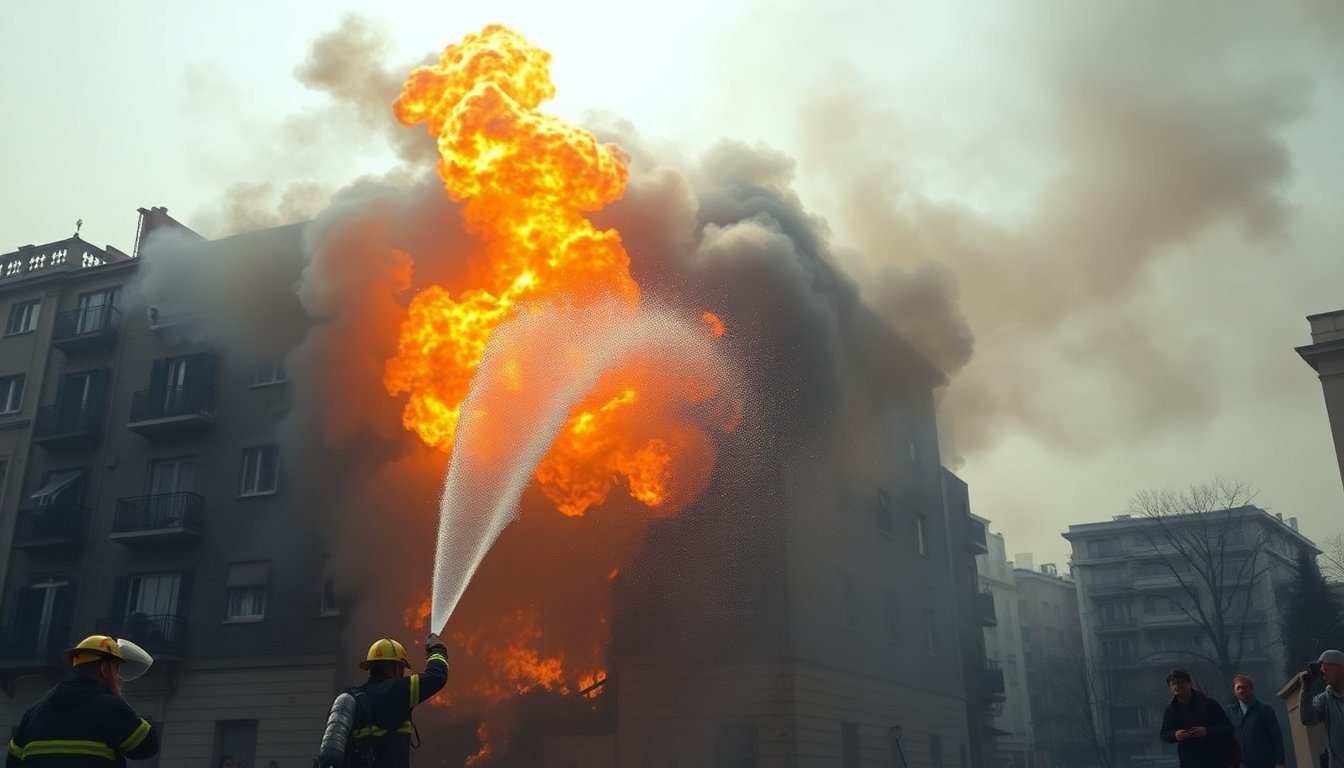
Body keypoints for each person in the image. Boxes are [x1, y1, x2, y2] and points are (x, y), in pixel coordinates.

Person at [6, 635, 159, 766]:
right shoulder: (110, 708)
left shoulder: (35, 712)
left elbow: (13, 762)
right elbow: (147, 746)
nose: (119, 677)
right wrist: (120, 705)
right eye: (116, 668)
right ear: (105, 669)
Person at [345, 633, 448, 767]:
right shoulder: (396, 691)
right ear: (396, 667)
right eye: (403, 667)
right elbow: (436, 676)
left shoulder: (357, 697)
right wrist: (437, 649)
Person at [1160, 667, 1234, 768]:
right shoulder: (1171, 710)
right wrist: (1175, 735)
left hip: (1214, 760)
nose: (1177, 686)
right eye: (1173, 684)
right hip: (1189, 762)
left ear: (1189, 683)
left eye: (1180, 682)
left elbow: (1228, 728)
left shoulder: (1208, 703)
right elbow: (1164, 734)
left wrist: (1206, 731)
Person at [1227, 674, 1286, 768]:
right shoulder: (1231, 712)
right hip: (1242, 764)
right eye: (1238, 688)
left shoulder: (1265, 709)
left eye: (1244, 687)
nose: (1241, 690)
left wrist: (1279, 761)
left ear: (1252, 689)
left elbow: (1276, 736)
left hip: (1265, 762)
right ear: (1234, 691)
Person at [1299, 649, 1344, 768]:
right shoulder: (1325, 698)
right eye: (1322, 670)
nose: (1323, 673)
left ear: (1342, 669)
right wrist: (1305, 689)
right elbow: (1308, 719)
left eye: (1327, 669)